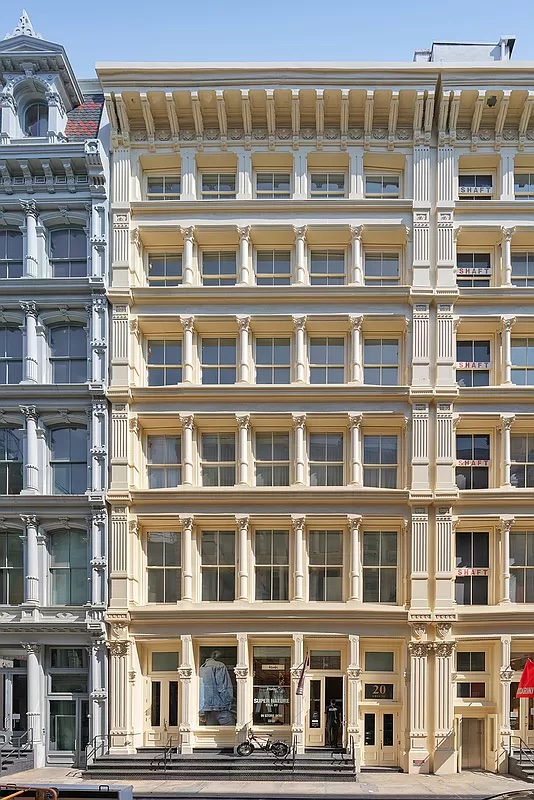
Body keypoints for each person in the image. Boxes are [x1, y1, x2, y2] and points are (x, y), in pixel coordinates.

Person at [199, 650, 235, 725]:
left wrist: (201, 712)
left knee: (211, 731)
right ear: (215, 655)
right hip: (222, 707)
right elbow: (222, 688)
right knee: (230, 730)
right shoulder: (219, 666)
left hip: (207, 709)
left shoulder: (201, 668)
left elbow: (200, 691)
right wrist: (231, 704)